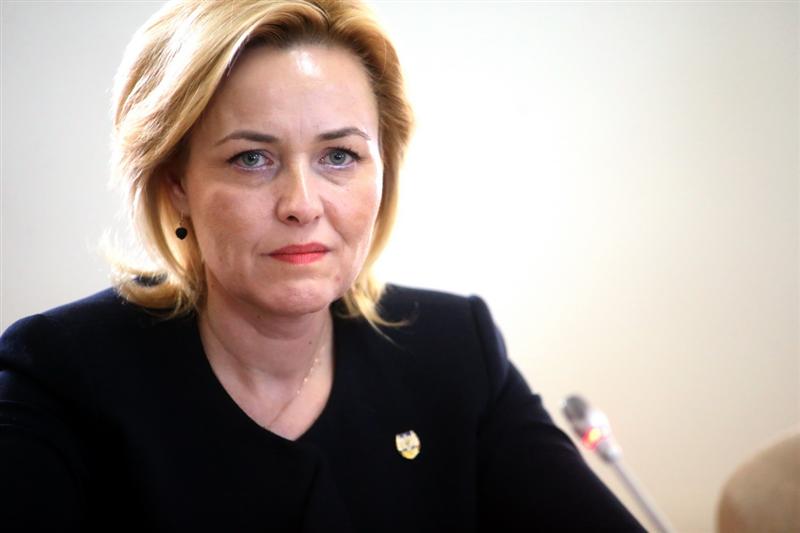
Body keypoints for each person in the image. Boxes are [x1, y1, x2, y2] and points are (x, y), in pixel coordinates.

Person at [0, 1, 644, 531]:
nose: (302, 205)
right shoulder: (60, 374)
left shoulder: (454, 350)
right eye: (252, 159)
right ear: (177, 185)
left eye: (339, 156)